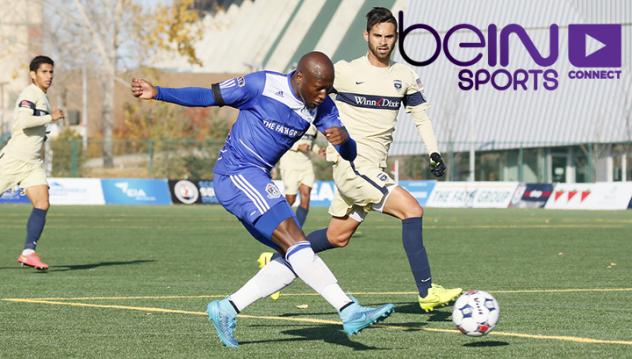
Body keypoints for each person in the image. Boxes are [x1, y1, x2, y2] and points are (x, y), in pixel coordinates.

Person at [131, 51, 395, 348]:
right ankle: (349, 310)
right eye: (318, 87)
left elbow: (349, 153)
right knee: (297, 244)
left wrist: (344, 141)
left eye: (327, 88)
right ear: (299, 78)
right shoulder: (262, 84)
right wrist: (158, 93)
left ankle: (227, 308)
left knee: (297, 256)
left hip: (257, 178)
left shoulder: (322, 107)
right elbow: (208, 96)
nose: (323, 95)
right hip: (236, 173)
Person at [257, 7, 462, 313]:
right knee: (412, 209)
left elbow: (421, 118)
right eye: (377, 36)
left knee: (337, 237)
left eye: (389, 37)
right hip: (352, 167)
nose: (383, 42)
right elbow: (304, 88)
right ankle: (427, 290)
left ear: (396, 38)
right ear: (366, 36)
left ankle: (282, 254)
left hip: (372, 169)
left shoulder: (404, 76)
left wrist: (434, 152)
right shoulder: (344, 71)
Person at [0, 55, 64, 271]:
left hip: (32, 164)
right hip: (13, 160)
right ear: (33, 74)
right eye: (44, 72)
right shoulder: (29, 94)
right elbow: (24, 122)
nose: (49, 76)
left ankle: (28, 252)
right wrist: (50, 118)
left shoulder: (43, 96)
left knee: (42, 203)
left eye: (51, 72)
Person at [278, 124, 322, 227]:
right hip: (289, 165)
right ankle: (276, 224)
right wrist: (297, 147)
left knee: (306, 195)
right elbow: (281, 139)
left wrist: (318, 150)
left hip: (306, 165)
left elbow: (311, 143)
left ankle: (297, 229)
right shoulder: (292, 121)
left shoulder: (314, 127)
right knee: (291, 199)